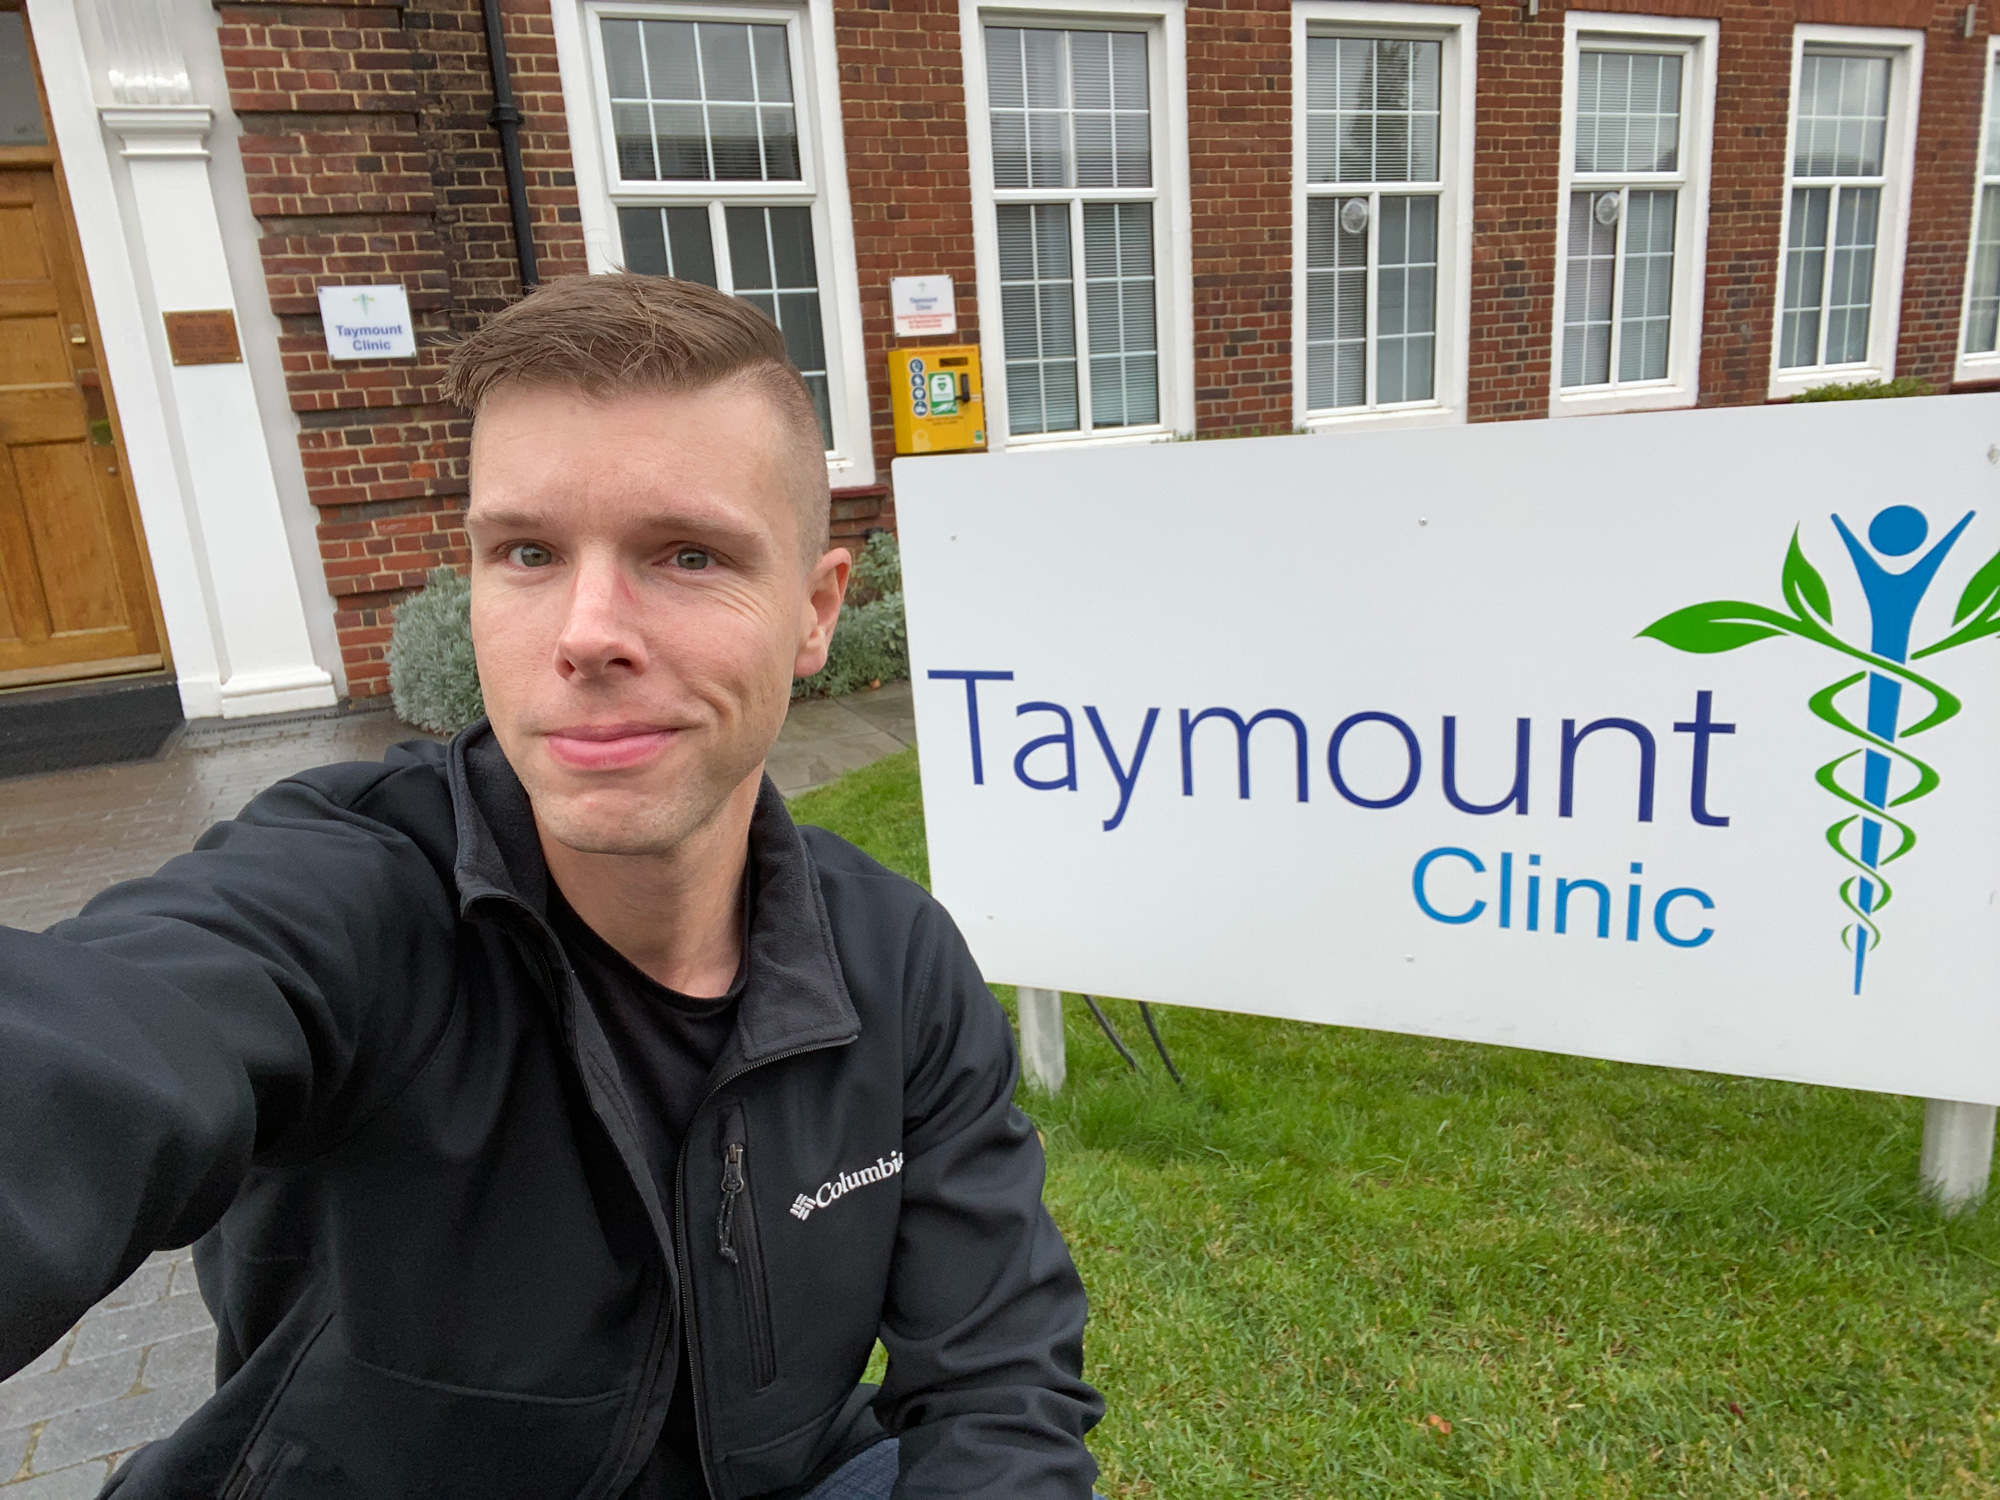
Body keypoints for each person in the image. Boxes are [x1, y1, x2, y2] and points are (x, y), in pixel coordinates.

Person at [0, 274, 1102, 1499]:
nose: (586, 631)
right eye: (526, 551)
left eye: (686, 555)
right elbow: (96, 1043)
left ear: (814, 611)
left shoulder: (896, 965)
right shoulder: (347, 902)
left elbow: (1001, 1382)